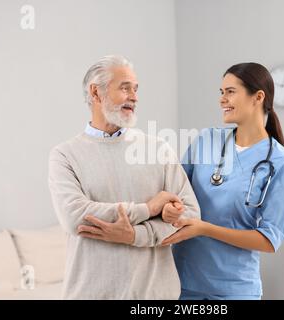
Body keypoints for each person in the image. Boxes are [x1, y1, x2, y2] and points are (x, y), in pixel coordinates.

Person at [48, 55, 200, 299]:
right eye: (125, 87)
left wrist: (135, 236)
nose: (134, 96)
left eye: (136, 89)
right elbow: (75, 217)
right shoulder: (64, 155)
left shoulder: (158, 149)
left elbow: (191, 213)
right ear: (96, 93)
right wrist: (148, 209)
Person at [163, 62, 284, 300]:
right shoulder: (207, 141)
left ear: (257, 97)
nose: (222, 99)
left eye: (230, 92)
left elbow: (268, 239)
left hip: (234, 290)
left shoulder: (281, 162)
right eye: (221, 92)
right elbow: (175, 190)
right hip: (182, 282)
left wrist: (204, 228)